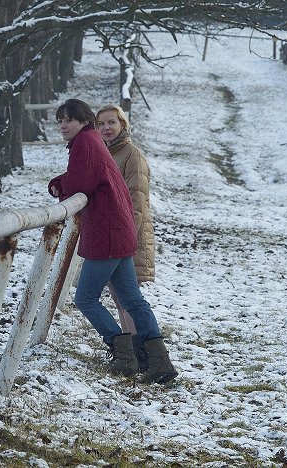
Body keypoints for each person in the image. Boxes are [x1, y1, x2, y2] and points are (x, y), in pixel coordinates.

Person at [48, 98, 177, 384]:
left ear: (83, 120)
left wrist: (60, 186)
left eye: (68, 119)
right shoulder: (94, 142)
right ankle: (158, 362)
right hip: (119, 232)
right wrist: (62, 181)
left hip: (106, 233)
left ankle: (123, 356)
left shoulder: (86, 143)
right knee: (132, 299)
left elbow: (81, 184)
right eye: (59, 121)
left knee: (85, 298)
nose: (63, 125)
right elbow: (85, 176)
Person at [96, 104, 154, 372]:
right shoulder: (105, 154)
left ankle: (142, 353)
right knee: (120, 298)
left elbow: (137, 200)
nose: (106, 128)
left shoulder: (132, 154)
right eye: (101, 124)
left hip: (128, 236)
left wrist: (127, 238)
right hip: (112, 236)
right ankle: (133, 352)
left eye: (112, 123)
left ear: (123, 125)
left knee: (129, 299)